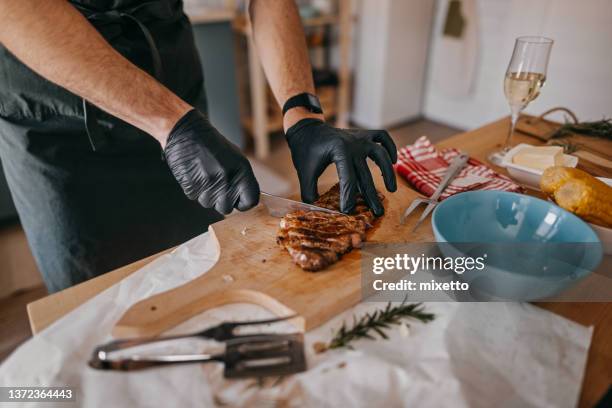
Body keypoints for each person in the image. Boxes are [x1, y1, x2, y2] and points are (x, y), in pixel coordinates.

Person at [0, 0, 397, 292]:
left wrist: (301, 110)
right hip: (58, 108)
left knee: (195, 269)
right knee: (98, 297)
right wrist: (168, 123)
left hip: (168, 70)